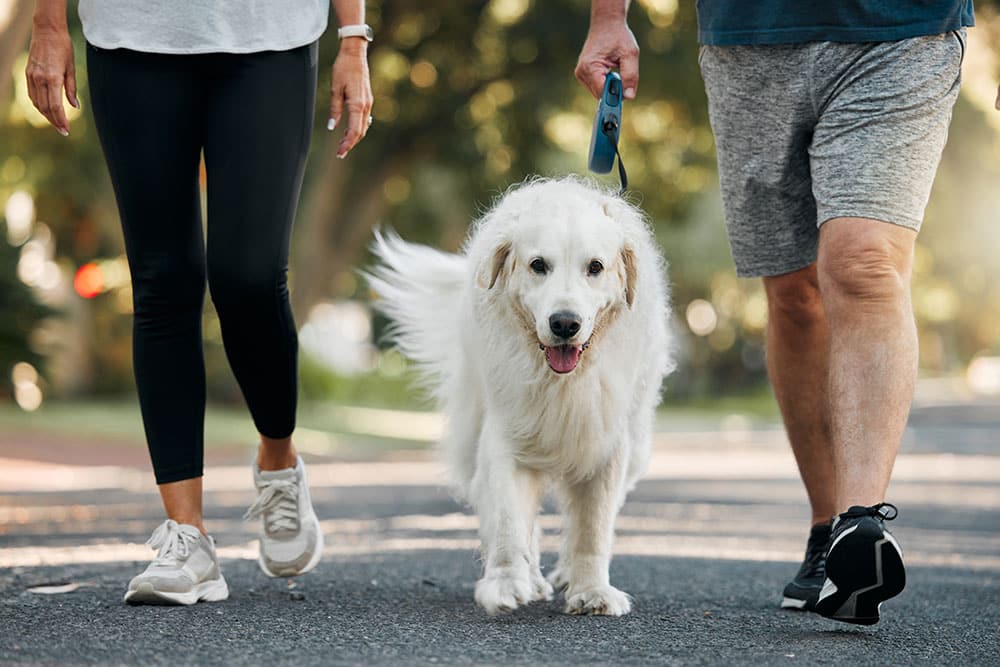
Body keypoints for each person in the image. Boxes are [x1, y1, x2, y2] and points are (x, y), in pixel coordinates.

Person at [577, 1, 996, 625]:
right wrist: (608, 17)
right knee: (794, 292)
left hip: (903, 29)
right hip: (749, 38)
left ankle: (861, 525)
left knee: (863, 261)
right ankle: (827, 527)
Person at [25, 0, 374, 604]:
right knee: (162, 281)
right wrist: (48, 24)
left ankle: (278, 459)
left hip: (271, 37)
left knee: (249, 275)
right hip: (132, 36)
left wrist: (353, 39)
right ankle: (187, 539)